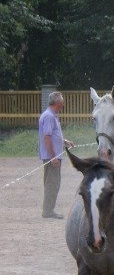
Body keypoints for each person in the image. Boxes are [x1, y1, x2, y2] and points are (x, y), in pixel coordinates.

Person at [38, 91, 74, 219]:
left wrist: (65, 142)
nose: (63, 105)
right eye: (62, 103)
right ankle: (48, 211)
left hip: (54, 156)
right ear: (57, 103)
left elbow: (53, 136)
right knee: (52, 184)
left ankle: (49, 210)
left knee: (54, 183)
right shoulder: (49, 116)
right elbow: (46, 138)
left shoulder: (52, 116)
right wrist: (53, 157)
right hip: (51, 157)